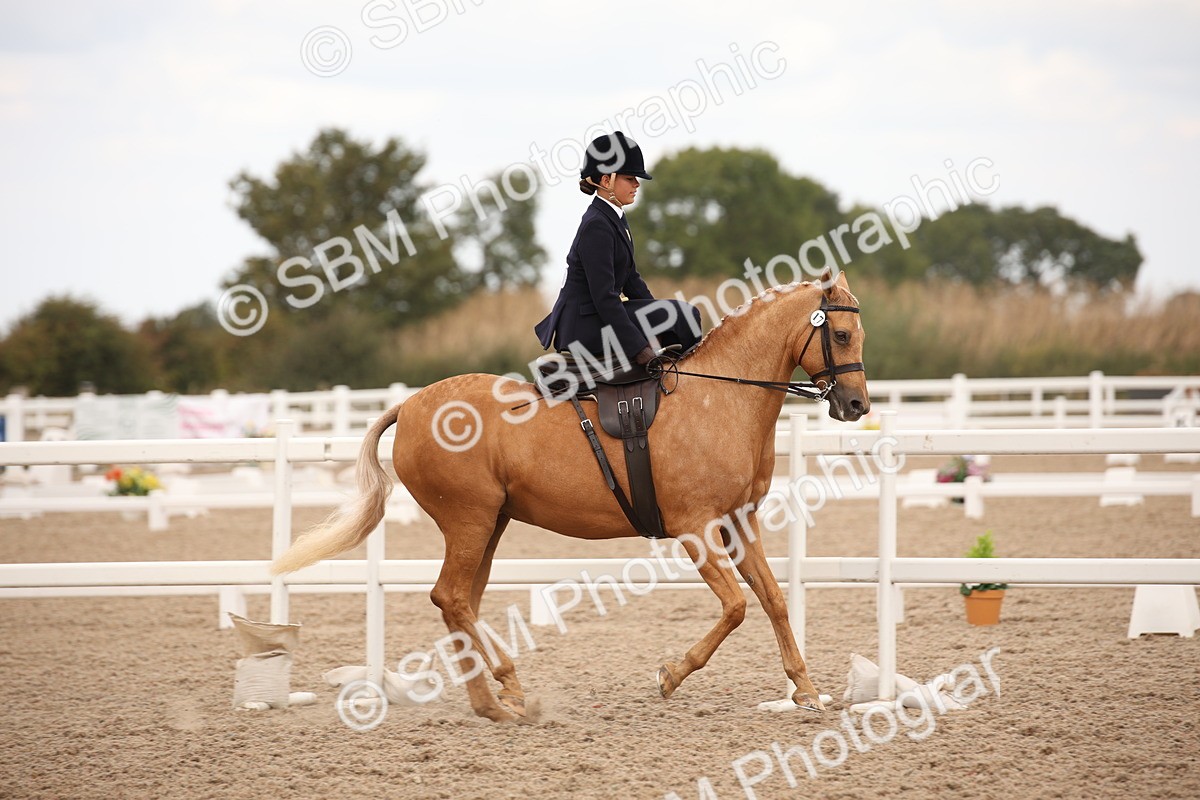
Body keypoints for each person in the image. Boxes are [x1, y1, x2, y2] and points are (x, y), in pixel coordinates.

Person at [534, 131, 702, 369]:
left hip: (597, 316)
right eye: (630, 178)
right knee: (685, 316)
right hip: (584, 326)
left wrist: (658, 313)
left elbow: (631, 280)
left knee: (681, 316)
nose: (637, 184)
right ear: (606, 181)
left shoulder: (613, 216)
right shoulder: (596, 225)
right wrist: (638, 348)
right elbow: (604, 297)